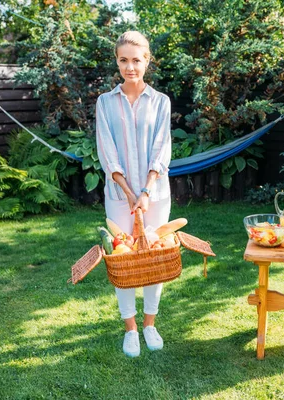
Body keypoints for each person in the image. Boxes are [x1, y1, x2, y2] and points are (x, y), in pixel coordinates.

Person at [95, 31, 171, 358]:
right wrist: (128, 191)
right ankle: (130, 328)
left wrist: (146, 190)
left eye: (136, 60)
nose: (130, 67)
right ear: (117, 61)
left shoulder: (161, 101)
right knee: (122, 259)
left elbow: (161, 147)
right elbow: (106, 149)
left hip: (155, 195)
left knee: (155, 258)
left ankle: (150, 324)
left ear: (147, 61)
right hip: (118, 195)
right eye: (124, 60)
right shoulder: (104, 102)